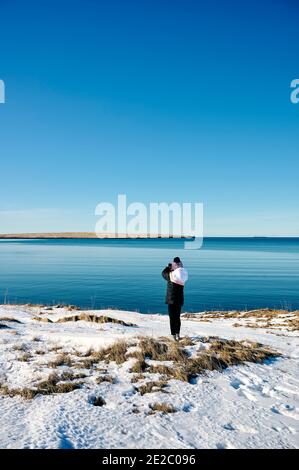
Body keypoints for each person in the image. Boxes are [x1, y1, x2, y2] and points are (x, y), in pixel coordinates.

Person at [162, 257, 188, 341]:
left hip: (171, 300)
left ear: (174, 265)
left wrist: (168, 267)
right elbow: (179, 270)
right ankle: (178, 334)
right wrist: (173, 268)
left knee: (172, 318)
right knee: (177, 317)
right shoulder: (183, 273)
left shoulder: (172, 275)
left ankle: (173, 335)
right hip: (179, 299)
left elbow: (163, 274)